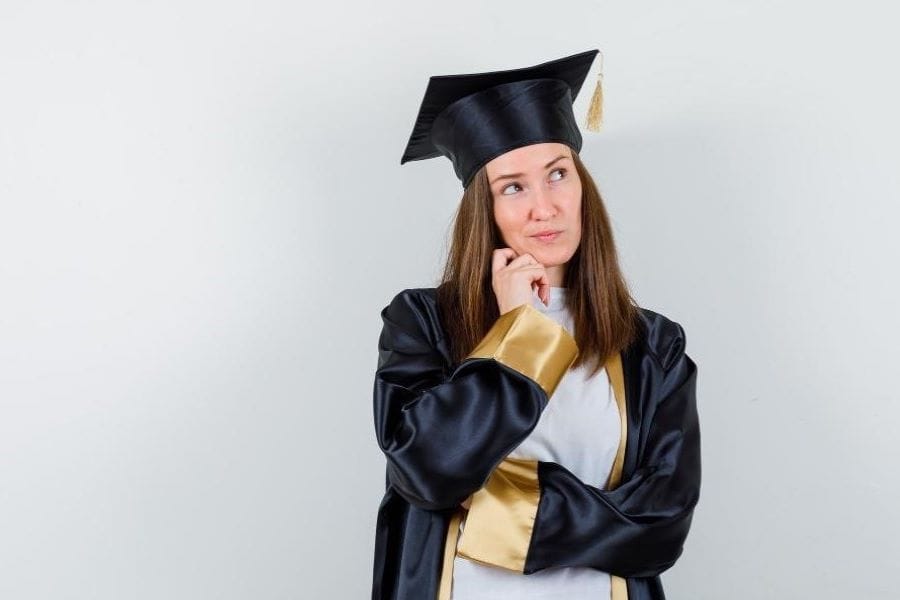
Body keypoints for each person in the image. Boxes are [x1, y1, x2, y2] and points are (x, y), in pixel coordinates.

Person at [371, 49, 701, 600]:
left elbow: (662, 526)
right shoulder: (423, 322)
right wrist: (520, 330)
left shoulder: (653, 345)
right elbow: (427, 471)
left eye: (557, 174)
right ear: (487, 209)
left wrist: (497, 511)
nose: (544, 207)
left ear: (581, 185)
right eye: (514, 187)